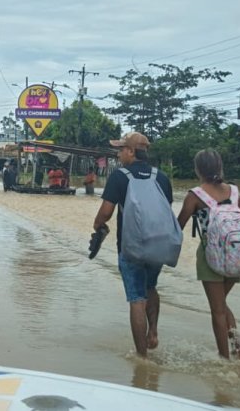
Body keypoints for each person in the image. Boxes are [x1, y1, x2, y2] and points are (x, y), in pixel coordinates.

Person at [93, 131, 173, 358]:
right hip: (158, 245)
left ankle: (142, 357)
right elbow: (165, 211)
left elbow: (106, 213)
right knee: (151, 287)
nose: (118, 154)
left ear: (130, 151)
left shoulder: (120, 176)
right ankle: (154, 333)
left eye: (121, 149)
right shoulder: (162, 177)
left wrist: (97, 225)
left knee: (137, 298)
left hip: (131, 248)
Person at [177, 148, 240, 360]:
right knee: (222, 304)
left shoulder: (195, 195)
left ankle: (224, 359)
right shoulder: (234, 192)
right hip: (236, 254)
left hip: (211, 256)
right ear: (219, 166)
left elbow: (178, 226)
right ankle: (238, 350)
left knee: (217, 309)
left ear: (198, 169)